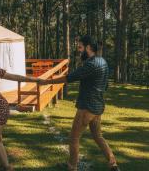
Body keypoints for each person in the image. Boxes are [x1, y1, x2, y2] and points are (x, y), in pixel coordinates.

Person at [40, 35, 120, 171]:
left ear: (88, 47)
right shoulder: (103, 61)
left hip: (87, 107)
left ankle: (72, 167)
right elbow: (105, 86)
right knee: (97, 136)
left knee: (74, 138)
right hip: (98, 106)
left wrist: (46, 82)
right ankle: (113, 164)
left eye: (80, 47)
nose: (78, 50)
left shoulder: (91, 64)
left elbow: (69, 78)